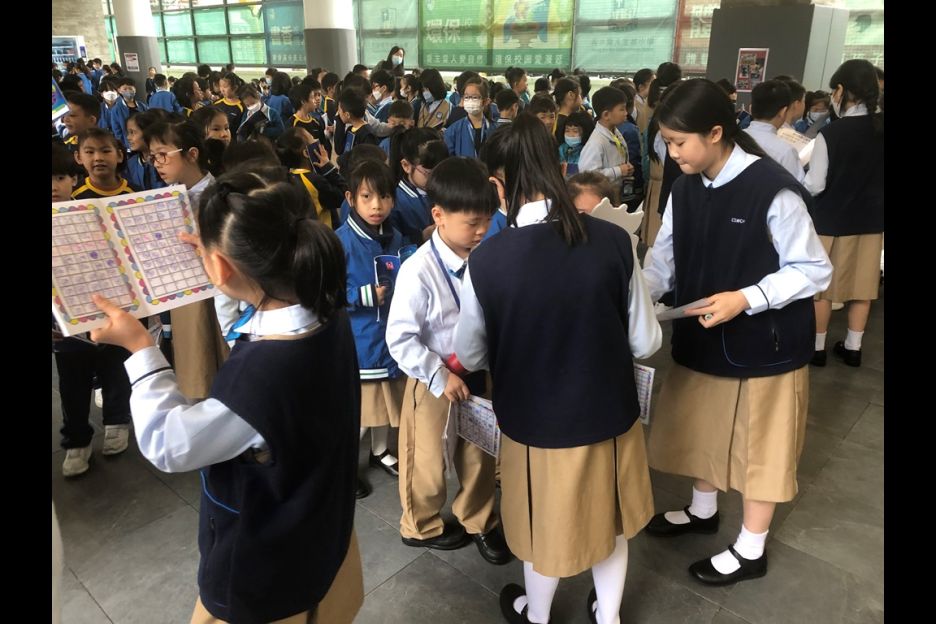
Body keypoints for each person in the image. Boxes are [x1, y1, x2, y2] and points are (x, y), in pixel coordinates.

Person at [89, 168, 364, 624]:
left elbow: (169, 443)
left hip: (263, 568)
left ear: (220, 267)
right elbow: (253, 315)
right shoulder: (327, 311)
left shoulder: (258, 379)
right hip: (320, 531)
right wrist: (219, 265)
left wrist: (141, 349)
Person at [453, 115, 662, 624]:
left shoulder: (487, 259)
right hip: (609, 415)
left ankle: (538, 615)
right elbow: (646, 341)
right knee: (610, 523)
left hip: (533, 423)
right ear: (559, 167)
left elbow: (472, 355)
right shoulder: (614, 241)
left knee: (539, 526)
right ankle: (608, 617)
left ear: (498, 185)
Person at [641, 78, 832, 587]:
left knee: (761, 448)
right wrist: (637, 299)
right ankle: (702, 510)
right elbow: (663, 260)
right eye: (666, 142)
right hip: (701, 337)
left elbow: (815, 270)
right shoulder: (685, 187)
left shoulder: (771, 189)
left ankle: (751, 548)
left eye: (679, 142)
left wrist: (747, 298)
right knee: (701, 428)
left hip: (764, 347)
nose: (672, 153)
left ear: (716, 133)